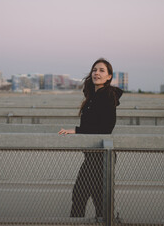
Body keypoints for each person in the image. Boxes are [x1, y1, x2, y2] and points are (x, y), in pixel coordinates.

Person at [58, 58, 123, 218]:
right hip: (93, 154)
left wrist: (76, 130)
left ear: (109, 77)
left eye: (102, 70)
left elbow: (106, 127)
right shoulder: (94, 96)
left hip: (100, 156)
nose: (97, 73)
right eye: (94, 70)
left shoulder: (107, 96)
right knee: (92, 198)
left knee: (83, 196)